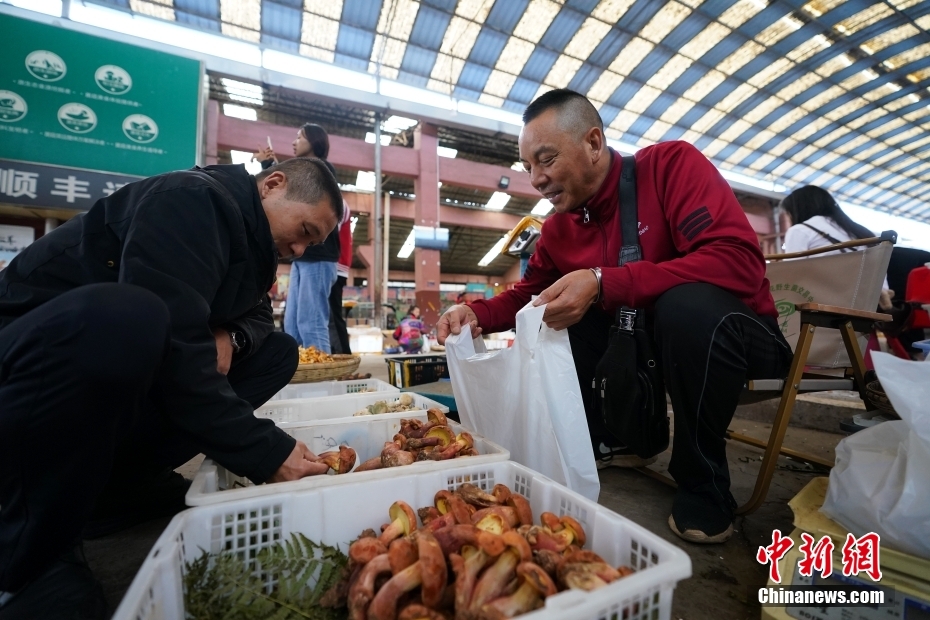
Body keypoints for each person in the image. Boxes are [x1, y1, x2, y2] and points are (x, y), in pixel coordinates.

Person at [437, 89, 792, 544]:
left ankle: (703, 475)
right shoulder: (559, 228)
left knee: (685, 305)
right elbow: (530, 294)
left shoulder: (669, 168)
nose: (537, 179)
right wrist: (475, 313)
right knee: (556, 312)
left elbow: (737, 262)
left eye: (546, 159)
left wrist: (605, 281)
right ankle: (620, 435)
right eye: (528, 168)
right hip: (651, 352)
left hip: (738, 341)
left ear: (593, 143)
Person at [0, 157, 341, 617]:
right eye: (304, 230)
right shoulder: (192, 199)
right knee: (132, 315)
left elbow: (257, 316)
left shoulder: (256, 248)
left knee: (276, 352)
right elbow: (176, 345)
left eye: (312, 243)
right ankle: (29, 552)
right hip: (29, 371)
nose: (301, 250)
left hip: (114, 381)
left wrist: (232, 336)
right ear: (272, 185)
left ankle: (116, 488)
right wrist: (267, 451)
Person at [267, 124, 344, 353]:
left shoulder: (322, 171)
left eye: (299, 137)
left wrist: (272, 166)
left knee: (311, 324)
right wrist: (269, 165)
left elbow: (294, 189)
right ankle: (299, 376)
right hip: (303, 259)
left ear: (314, 141)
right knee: (292, 326)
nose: (294, 141)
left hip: (319, 258)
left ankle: (320, 383)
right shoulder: (308, 169)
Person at [780, 185, 893, 310]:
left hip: (823, 310)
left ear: (797, 210)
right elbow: (882, 284)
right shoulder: (862, 233)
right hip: (866, 311)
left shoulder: (800, 230)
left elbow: (790, 276)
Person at [329, 205, 353, 354]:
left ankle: (343, 354)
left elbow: (328, 228)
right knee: (330, 313)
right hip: (336, 265)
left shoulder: (339, 203)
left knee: (332, 314)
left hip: (336, 266)